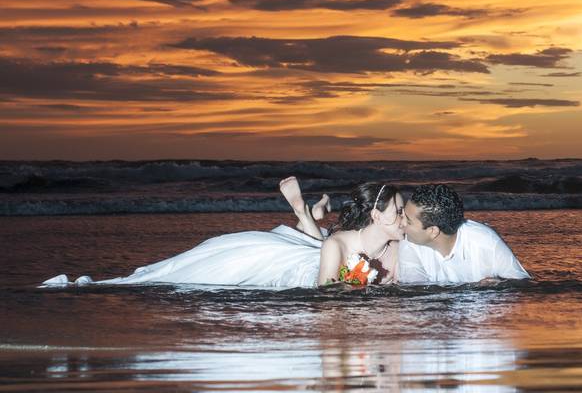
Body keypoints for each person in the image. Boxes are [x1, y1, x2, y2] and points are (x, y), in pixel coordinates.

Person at [42, 179, 405, 289]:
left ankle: (306, 217)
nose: (404, 218)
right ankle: (305, 217)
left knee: (319, 242)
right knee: (209, 267)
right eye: (398, 211)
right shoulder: (339, 245)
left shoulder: (393, 247)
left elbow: (393, 289)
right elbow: (323, 293)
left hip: (323, 248)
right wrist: (355, 285)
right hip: (296, 265)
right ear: (375, 215)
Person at [397, 184, 530, 283]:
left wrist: (499, 286)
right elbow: (416, 292)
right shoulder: (409, 242)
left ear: (433, 231)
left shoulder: (486, 242)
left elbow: (522, 284)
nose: (400, 223)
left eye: (408, 221)